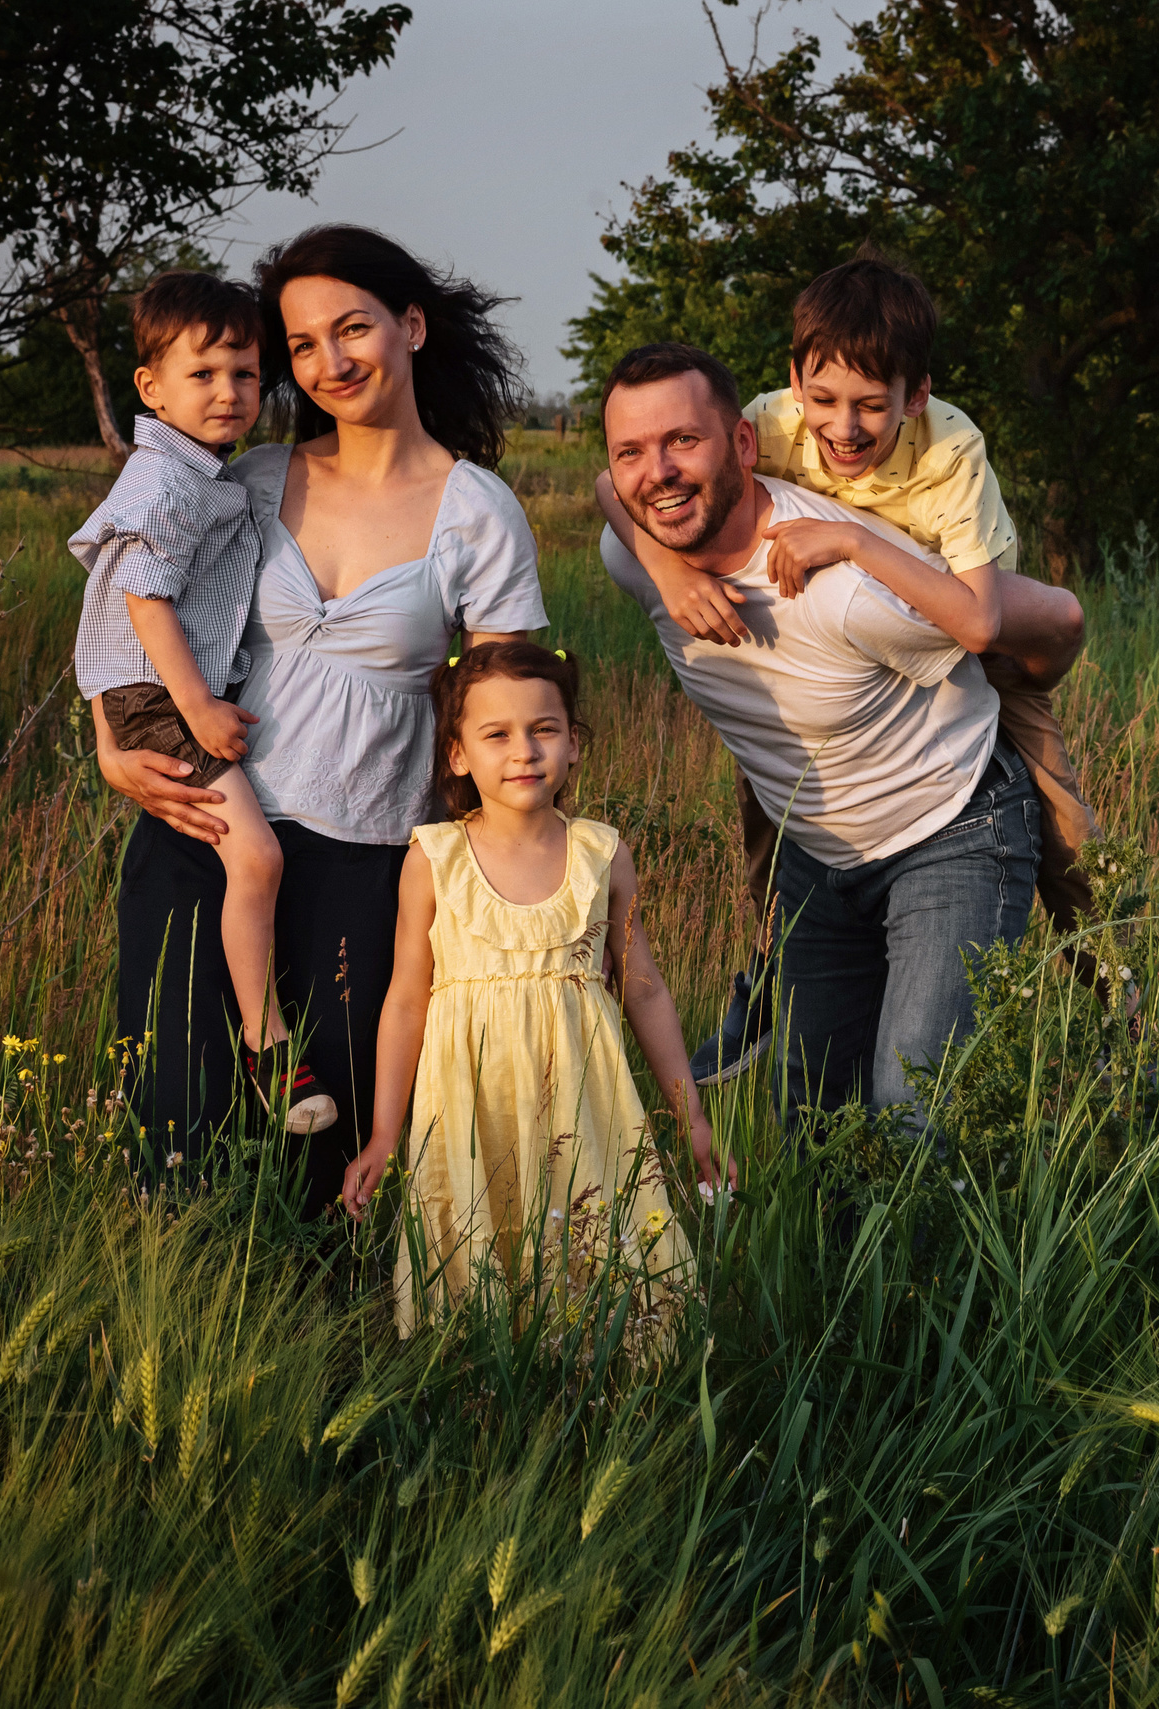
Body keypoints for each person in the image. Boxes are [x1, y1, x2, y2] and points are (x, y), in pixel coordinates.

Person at [93, 226, 546, 1212]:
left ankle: (336, 1359)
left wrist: (504, 876)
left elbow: (515, 710)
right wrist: (108, 739)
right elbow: (136, 596)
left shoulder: (478, 510)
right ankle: (182, 1335)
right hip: (203, 832)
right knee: (180, 1137)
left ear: (412, 325)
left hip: (364, 861)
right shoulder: (252, 482)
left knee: (326, 1155)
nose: (329, 362)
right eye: (301, 344)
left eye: (352, 329)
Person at [600, 257, 1103, 1088]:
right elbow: (611, 488)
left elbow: (994, 622)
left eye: (683, 441)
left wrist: (856, 542)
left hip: (956, 733)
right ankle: (762, 978)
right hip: (820, 838)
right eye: (636, 452)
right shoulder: (670, 521)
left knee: (1068, 843)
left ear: (915, 396)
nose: (845, 427)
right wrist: (667, 571)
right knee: (815, 1130)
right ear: (793, 388)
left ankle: (1126, 1014)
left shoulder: (930, 478)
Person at [338, 643, 726, 1332]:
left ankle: (603, 1371)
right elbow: (405, 1000)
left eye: (544, 729)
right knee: (478, 1255)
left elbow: (646, 992)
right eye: (497, 734)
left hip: (583, 1109)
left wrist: (689, 1116)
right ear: (457, 754)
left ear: (574, 745)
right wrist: (385, 1132)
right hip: (471, 1110)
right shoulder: (434, 859)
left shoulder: (601, 853)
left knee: (596, 1252)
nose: (524, 750)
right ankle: (480, 1389)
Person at [71, 271, 335, 1134]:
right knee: (255, 860)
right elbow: (144, 598)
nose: (230, 393)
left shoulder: (186, 470)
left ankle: (258, 1038)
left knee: (243, 861)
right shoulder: (170, 484)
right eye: (205, 374)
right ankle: (269, 1044)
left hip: (147, 690)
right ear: (150, 387)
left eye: (247, 375)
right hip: (163, 694)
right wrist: (199, 709)